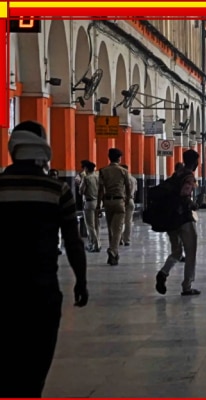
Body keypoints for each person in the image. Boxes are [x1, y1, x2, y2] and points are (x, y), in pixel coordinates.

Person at [0, 120, 88, 397]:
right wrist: (81, 281)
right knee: (36, 361)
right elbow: (73, 241)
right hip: (41, 289)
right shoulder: (56, 189)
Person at [155, 149, 201, 296]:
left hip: (170, 217)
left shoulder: (176, 174)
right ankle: (187, 285)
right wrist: (192, 204)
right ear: (195, 162)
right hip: (184, 218)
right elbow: (184, 194)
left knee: (176, 251)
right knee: (190, 250)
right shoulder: (189, 176)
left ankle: (163, 272)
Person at [97, 148, 132, 266]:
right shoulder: (123, 171)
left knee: (110, 229)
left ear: (109, 157)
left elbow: (101, 190)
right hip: (119, 201)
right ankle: (112, 251)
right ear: (119, 158)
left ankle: (114, 255)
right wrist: (127, 200)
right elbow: (128, 187)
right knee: (117, 229)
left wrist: (98, 205)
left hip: (107, 202)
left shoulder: (103, 171)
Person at [79, 161, 101, 252]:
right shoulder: (98, 177)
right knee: (97, 225)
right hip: (98, 202)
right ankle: (98, 243)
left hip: (89, 202)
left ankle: (94, 245)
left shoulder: (86, 178)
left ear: (86, 169)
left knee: (90, 225)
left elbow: (81, 191)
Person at [120, 164, 138, 246]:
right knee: (128, 221)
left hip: (123, 201)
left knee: (120, 221)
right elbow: (135, 190)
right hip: (131, 200)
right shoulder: (133, 179)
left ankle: (119, 239)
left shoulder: (122, 179)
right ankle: (127, 240)